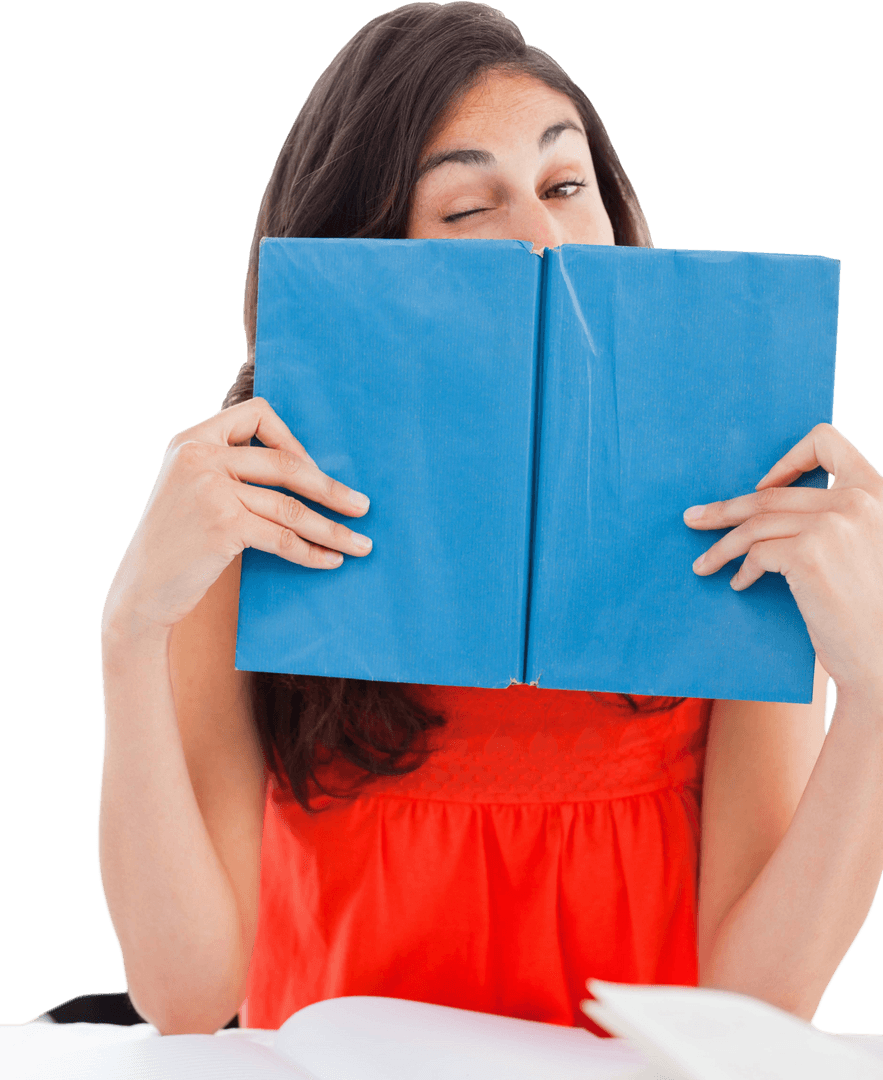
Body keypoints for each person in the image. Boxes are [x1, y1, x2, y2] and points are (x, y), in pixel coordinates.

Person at [96, 1, 883, 1038]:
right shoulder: (255, 530)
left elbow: (752, 1012)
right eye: (468, 208)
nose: (543, 236)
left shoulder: (739, 521)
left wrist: (873, 686)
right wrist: (129, 634)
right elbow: (185, 996)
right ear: (363, 260)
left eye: (565, 186)